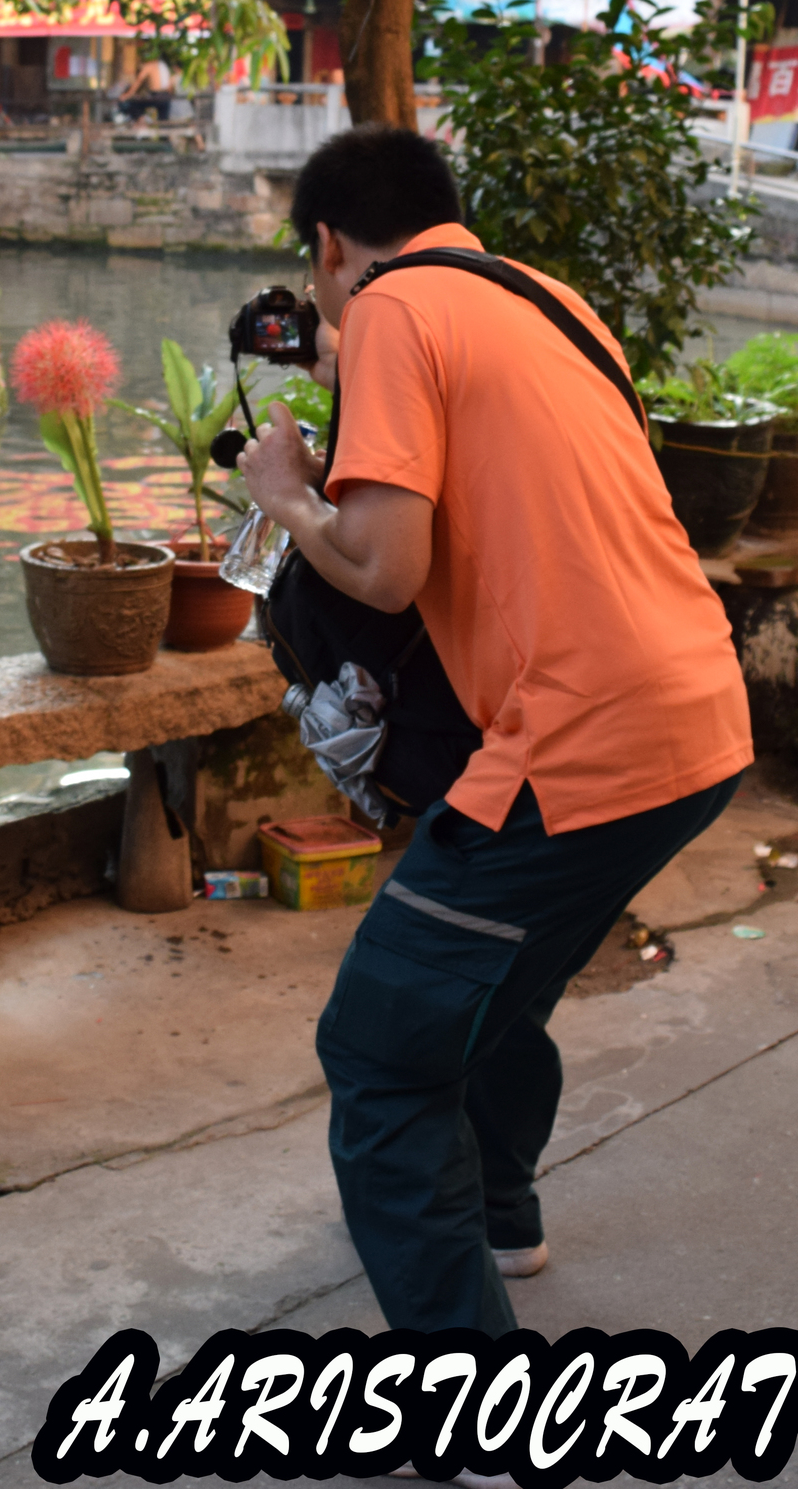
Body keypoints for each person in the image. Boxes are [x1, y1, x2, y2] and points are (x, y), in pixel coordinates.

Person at [237, 125, 752, 1338]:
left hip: (576, 742)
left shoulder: (390, 308)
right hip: (695, 715)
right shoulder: (546, 300)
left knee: (378, 1049)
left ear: (327, 246)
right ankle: (502, 1219)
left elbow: (378, 563)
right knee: (493, 988)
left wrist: (288, 497)